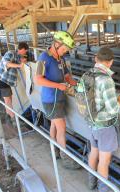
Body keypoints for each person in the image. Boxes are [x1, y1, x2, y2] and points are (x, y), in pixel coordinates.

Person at [87, 47, 120, 192]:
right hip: (104, 125)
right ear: (111, 62)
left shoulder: (87, 75)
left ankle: (91, 182)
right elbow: (113, 109)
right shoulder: (106, 79)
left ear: (96, 59)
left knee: (93, 152)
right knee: (104, 160)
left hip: (91, 122)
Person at [34, 31, 77, 159]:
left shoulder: (61, 59)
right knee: (62, 127)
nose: (65, 51)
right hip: (50, 99)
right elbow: (38, 80)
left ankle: (54, 150)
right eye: (64, 49)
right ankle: (65, 157)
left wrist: (78, 85)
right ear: (56, 44)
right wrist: (58, 85)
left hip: (59, 97)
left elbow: (67, 76)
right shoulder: (43, 58)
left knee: (54, 124)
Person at [0, 42, 29, 126]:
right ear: (22, 49)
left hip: (5, 81)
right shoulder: (10, 53)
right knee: (8, 100)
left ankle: (9, 118)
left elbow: (21, 63)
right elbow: (7, 64)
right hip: (1, 79)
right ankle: (14, 120)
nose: (25, 53)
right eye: (25, 51)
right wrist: (19, 65)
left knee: (8, 100)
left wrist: (23, 61)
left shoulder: (17, 56)